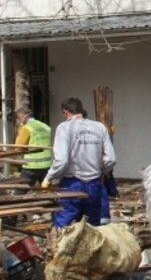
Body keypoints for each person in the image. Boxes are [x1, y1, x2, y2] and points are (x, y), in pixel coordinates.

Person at [42, 98, 116, 228]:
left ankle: (62, 247)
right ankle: (91, 248)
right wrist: (100, 171)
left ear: (65, 112)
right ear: (81, 110)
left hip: (72, 184)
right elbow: (111, 159)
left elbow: (62, 160)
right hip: (94, 184)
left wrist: (49, 177)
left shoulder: (64, 128)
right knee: (92, 226)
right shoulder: (99, 127)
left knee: (65, 223)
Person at [13, 107, 52, 187]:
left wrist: (19, 129)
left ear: (23, 117)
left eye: (19, 118)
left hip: (31, 166)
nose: (19, 120)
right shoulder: (46, 127)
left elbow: (18, 148)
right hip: (46, 165)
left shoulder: (26, 128)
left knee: (20, 191)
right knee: (47, 191)